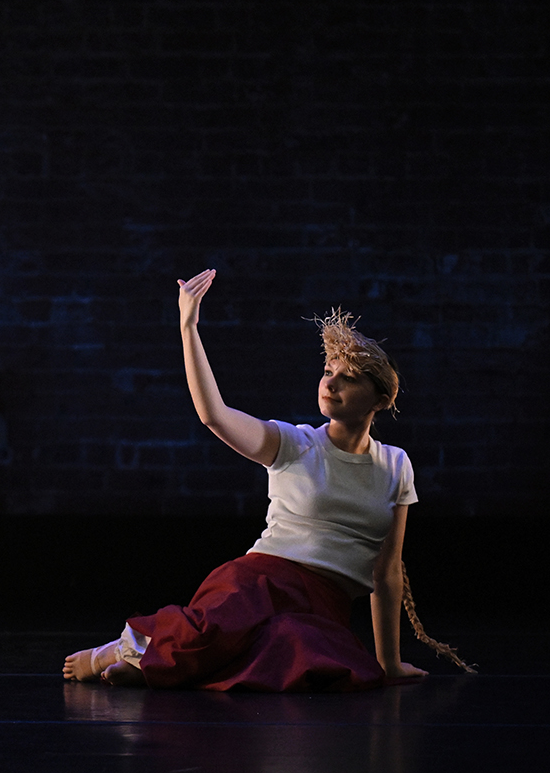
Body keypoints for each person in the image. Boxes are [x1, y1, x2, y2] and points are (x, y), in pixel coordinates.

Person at [63, 269, 468, 691]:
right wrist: (189, 327)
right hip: (262, 580)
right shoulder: (294, 443)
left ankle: (155, 664)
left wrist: (390, 662)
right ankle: (125, 650)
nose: (331, 383)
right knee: (220, 628)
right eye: (328, 371)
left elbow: (386, 574)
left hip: (322, 604)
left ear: (382, 399)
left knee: (305, 661)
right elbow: (213, 414)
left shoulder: (396, 465)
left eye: (348, 377)